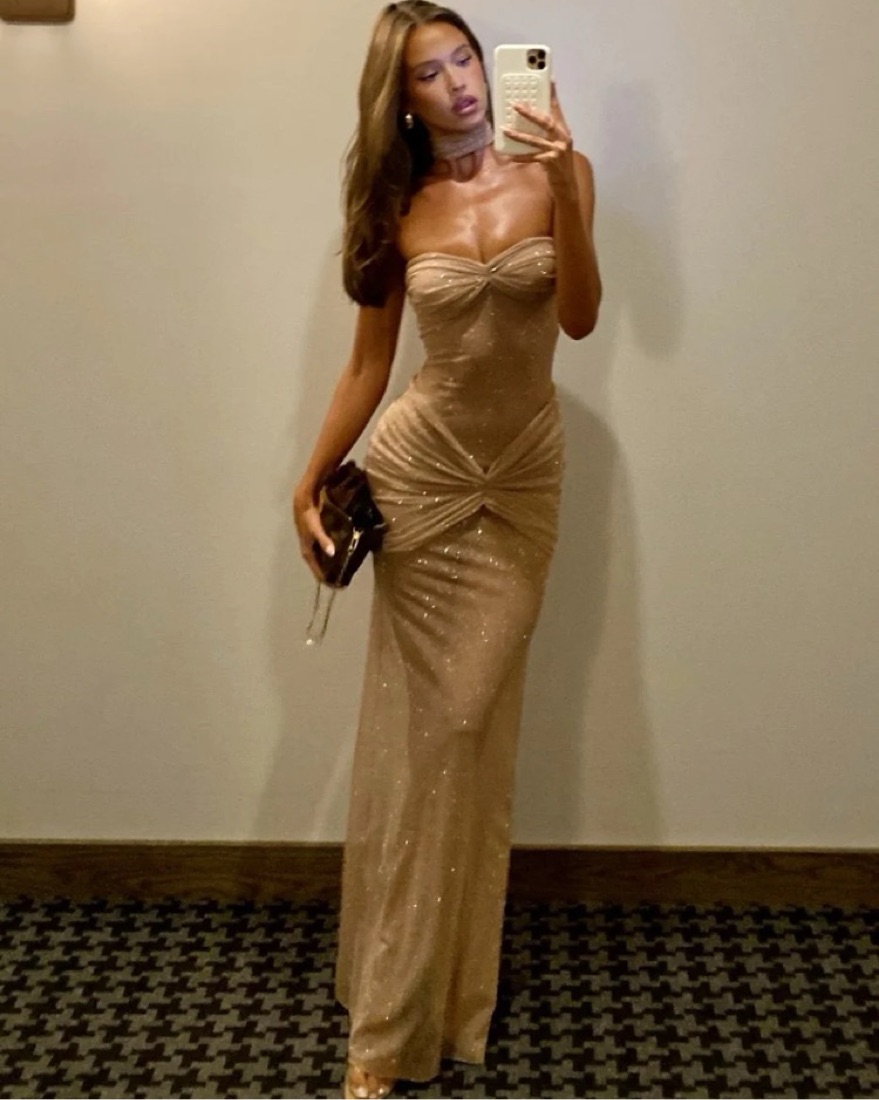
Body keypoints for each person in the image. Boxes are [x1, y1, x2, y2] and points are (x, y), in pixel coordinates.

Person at [292, 3, 601, 1096]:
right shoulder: (395, 207)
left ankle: (443, 985)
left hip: (517, 484)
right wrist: (307, 478)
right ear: (404, 101)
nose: (461, 83)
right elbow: (368, 369)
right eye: (430, 73)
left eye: (465, 59)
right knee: (426, 740)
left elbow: (579, 319)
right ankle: (387, 1020)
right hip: (418, 481)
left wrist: (566, 193)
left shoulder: (560, 174)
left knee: (464, 726)